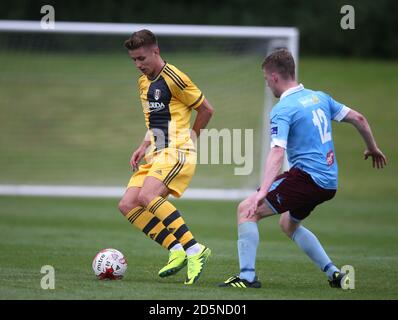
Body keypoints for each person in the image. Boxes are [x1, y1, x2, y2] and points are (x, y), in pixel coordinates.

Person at [219, 49, 387, 289]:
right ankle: (335, 275)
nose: (268, 86)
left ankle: (246, 278)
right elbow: (359, 118)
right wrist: (372, 147)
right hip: (328, 182)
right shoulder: (320, 97)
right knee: (288, 224)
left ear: (275, 77)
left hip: (307, 179)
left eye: (267, 80)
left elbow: (277, 152)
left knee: (247, 209)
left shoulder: (283, 109)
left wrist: (262, 191)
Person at [119, 29, 214, 285]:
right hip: (156, 152)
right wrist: (143, 145)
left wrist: (191, 139)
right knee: (128, 204)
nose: (139, 65)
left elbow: (206, 109)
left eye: (142, 58)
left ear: (155, 51)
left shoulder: (175, 78)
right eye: (134, 60)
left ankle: (195, 249)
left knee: (147, 196)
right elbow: (155, 121)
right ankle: (176, 249)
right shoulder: (143, 83)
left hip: (178, 150)